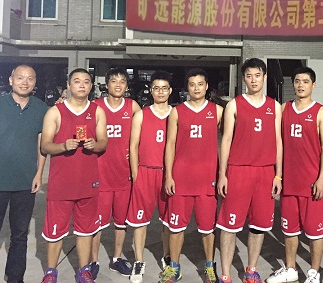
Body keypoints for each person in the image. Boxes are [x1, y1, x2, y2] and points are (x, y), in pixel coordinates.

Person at [0, 65, 49, 283]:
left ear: (35, 82)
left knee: (19, 236)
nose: (25, 82)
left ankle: (16, 278)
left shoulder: (41, 109)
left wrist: (38, 174)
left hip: (25, 183)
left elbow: (41, 145)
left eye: (30, 78)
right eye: (20, 78)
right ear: (11, 80)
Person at [216, 58, 282, 283]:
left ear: (264, 77)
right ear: (243, 79)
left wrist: (278, 174)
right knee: (229, 225)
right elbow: (225, 140)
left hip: (265, 172)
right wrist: (222, 174)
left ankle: (251, 269)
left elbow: (278, 141)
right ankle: (225, 274)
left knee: (259, 226)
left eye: (257, 75)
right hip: (238, 171)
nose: (253, 80)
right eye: (249, 76)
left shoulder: (274, 106)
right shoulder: (234, 105)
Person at [40, 68, 108, 283]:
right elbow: (45, 146)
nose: (82, 85)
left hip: (88, 182)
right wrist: (62, 146)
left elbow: (104, 142)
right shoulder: (55, 112)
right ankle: (51, 272)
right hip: (61, 184)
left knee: (85, 230)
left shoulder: (97, 111)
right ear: (68, 85)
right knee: (55, 231)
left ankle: (84, 270)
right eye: (77, 81)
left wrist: (95, 144)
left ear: (91, 86)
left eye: (86, 81)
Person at [267, 67, 323, 283]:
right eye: (297, 81)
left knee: (315, 232)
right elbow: (277, 143)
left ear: (313, 85)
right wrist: (278, 175)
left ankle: (314, 272)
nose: (301, 85)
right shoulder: (284, 108)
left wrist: (322, 179)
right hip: (289, 182)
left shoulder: (321, 112)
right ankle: (291, 269)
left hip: (312, 183)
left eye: (305, 81)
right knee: (289, 230)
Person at [160, 68, 223, 283]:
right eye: (192, 84)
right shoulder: (177, 112)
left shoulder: (217, 111)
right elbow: (169, 145)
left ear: (207, 86)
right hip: (181, 179)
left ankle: (210, 266)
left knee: (207, 228)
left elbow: (228, 140)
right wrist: (169, 175)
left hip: (207, 180)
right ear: (187, 87)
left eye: (200, 84)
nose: (196, 88)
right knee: (176, 227)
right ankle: (174, 267)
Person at [89, 68, 141, 278]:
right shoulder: (96, 106)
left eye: (122, 81)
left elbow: (148, 127)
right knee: (97, 223)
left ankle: (116, 259)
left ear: (126, 86)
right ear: (107, 84)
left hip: (123, 175)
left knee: (121, 222)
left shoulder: (133, 106)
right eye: (114, 81)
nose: (118, 85)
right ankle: (93, 261)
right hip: (100, 174)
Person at [127, 70, 174, 282]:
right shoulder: (142, 114)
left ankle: (167, 256)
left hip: (167, 174)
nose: (160, 92)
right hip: (145, 172)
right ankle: (139, 260)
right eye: (156, 88)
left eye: (164, 88)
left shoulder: (177, 114)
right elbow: (133, 146)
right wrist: (136, 174)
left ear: (170, 91)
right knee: (140, 221)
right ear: (151, 90)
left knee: (168, 221)